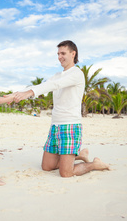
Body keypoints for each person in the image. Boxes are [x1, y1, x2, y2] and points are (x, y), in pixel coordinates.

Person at [13, 40, 110, 177]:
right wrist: (14, 94)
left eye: (63, 53)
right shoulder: (57, 75)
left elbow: (55, 85)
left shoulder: (77, 74)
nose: (59, 57)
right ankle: (80, 155)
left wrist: (28, 94)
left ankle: (95, 164)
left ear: (73, 54)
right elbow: (43, 84)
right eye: (58, 54)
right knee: (47, 167)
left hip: (70, 125)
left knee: (66, 173)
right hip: (55, 125)